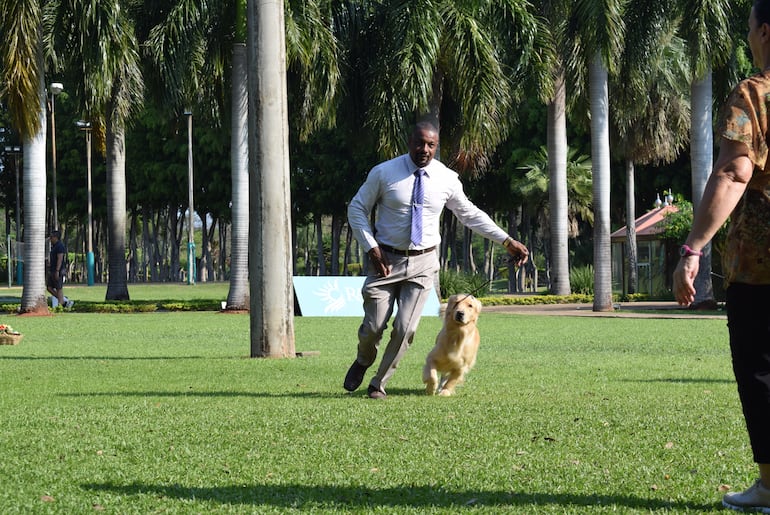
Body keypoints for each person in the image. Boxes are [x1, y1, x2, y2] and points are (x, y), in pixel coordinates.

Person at [344, 121, 529, 399]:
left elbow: (469, 213)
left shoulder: (446, 178)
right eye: (420, 143)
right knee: (373, 327)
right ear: (410, 142)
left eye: (431, 145)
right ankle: (363, 360)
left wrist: (506, 240)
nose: (425, 150)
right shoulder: (384, 173)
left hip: (423, 263)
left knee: (406, 328)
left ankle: (378, 383)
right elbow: (357, 208)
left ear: (436, 146)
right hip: (384, 260)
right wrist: (371, 248)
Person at [673, 1, 770, 510]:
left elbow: (734, 174)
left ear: (765, 33)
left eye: (750, 29)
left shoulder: (753, 94)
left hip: (761, 267)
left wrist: (693, 249)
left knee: (761, 369)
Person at [47, 230, 73, 309]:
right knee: (49, 287)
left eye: (51, 237)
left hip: (58, 270)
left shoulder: (60, 246)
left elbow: (60, 259)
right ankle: (64, 301)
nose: (50, 239)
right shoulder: (54, 246)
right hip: (53, 269)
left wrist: (57, 271)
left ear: (56, 237)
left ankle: (61, 304)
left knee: (59, 288)